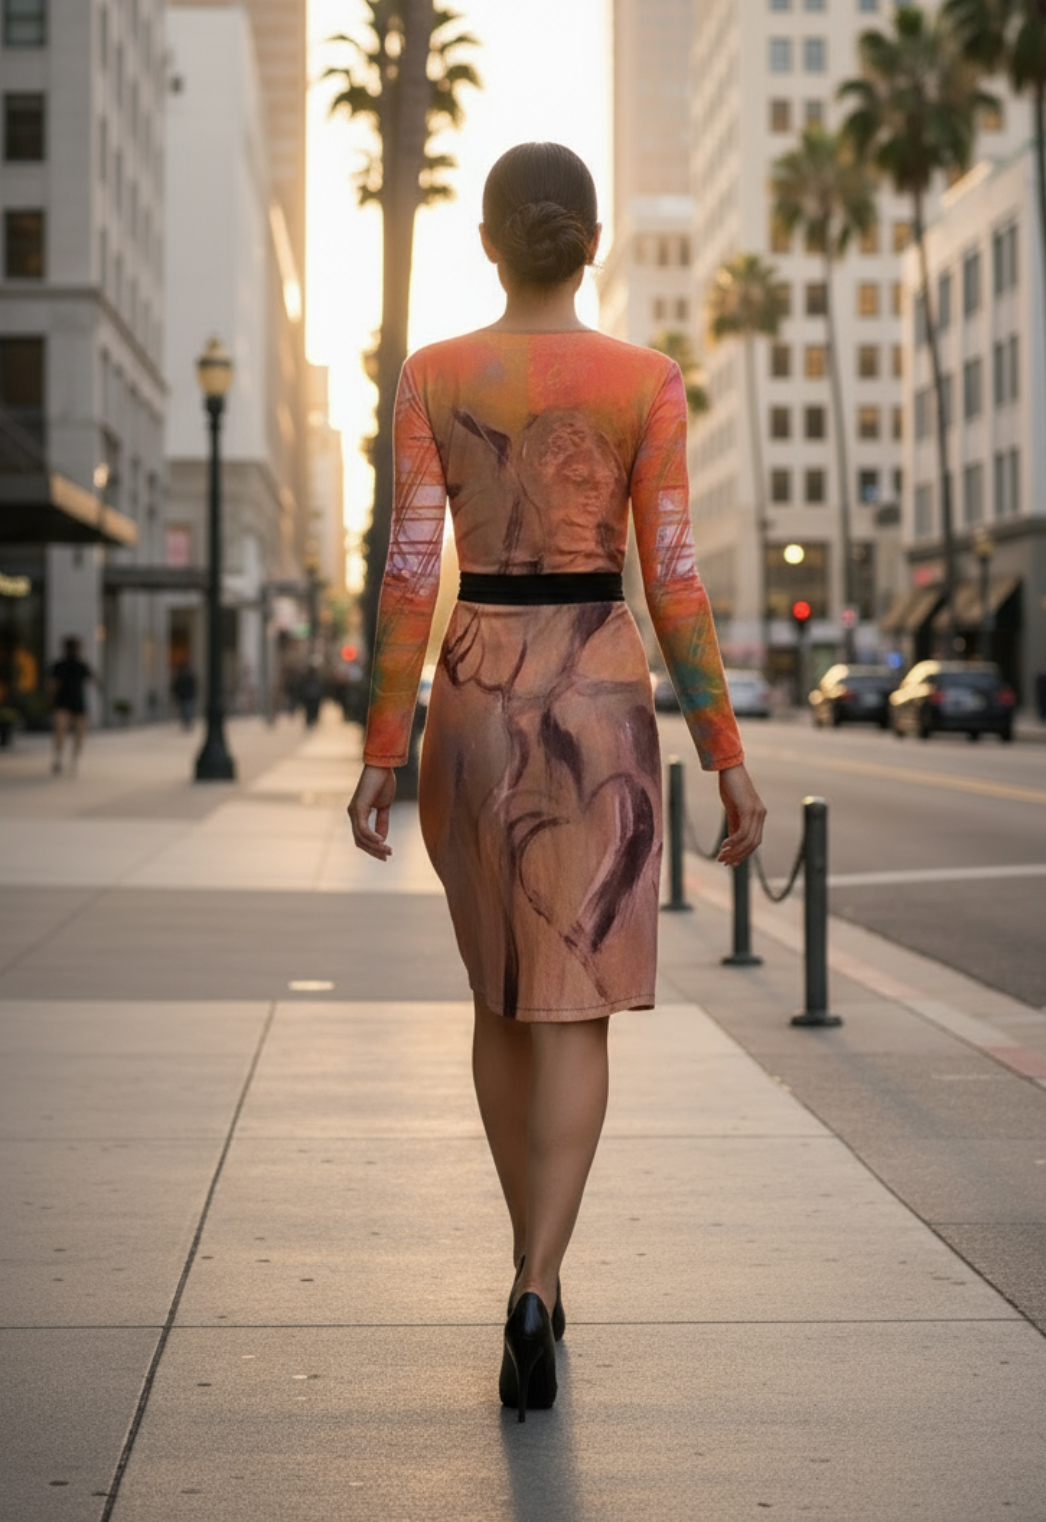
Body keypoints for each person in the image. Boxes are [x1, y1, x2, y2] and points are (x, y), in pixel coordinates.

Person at [347, 142, 766, 1422]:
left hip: (474, 692)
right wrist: (727, 755)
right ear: (594, 245)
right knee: (574, 1009)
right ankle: (538, 1279)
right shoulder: (646, 381)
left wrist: (381, 751)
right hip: (598, 692)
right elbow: (675, 580)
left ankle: (531, 1259)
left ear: (487, 243)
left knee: (498, 1000)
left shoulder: (435, 374)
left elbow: (410, 572)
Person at [47, 635, 95, 774]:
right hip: (62, 703)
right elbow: (52, 684)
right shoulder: (59, 666)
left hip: (78, 704)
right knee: (60, 732)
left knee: (79, 733)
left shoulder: (81, 665)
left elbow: (92, 678)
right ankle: (59, 758)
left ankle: (73, 759)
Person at [172, 663, 198, 731]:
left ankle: (186, 722)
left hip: (184, 696)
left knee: (185, 709)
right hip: (187, 696)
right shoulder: (187, 677)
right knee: (187, 709)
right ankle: (187, 722)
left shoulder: (181, 677)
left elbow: (176, 686)